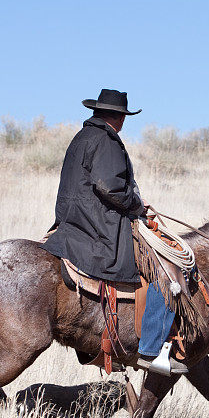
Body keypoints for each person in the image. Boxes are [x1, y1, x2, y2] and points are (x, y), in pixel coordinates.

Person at [40, 89, 185, 374]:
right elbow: (110, 186)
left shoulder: (81, 138)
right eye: (123, 118)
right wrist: (137, 206)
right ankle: (152, 350)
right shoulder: (106, 141)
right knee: (167, 271)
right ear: (118, 117)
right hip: (101, 226)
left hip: (73, 222)